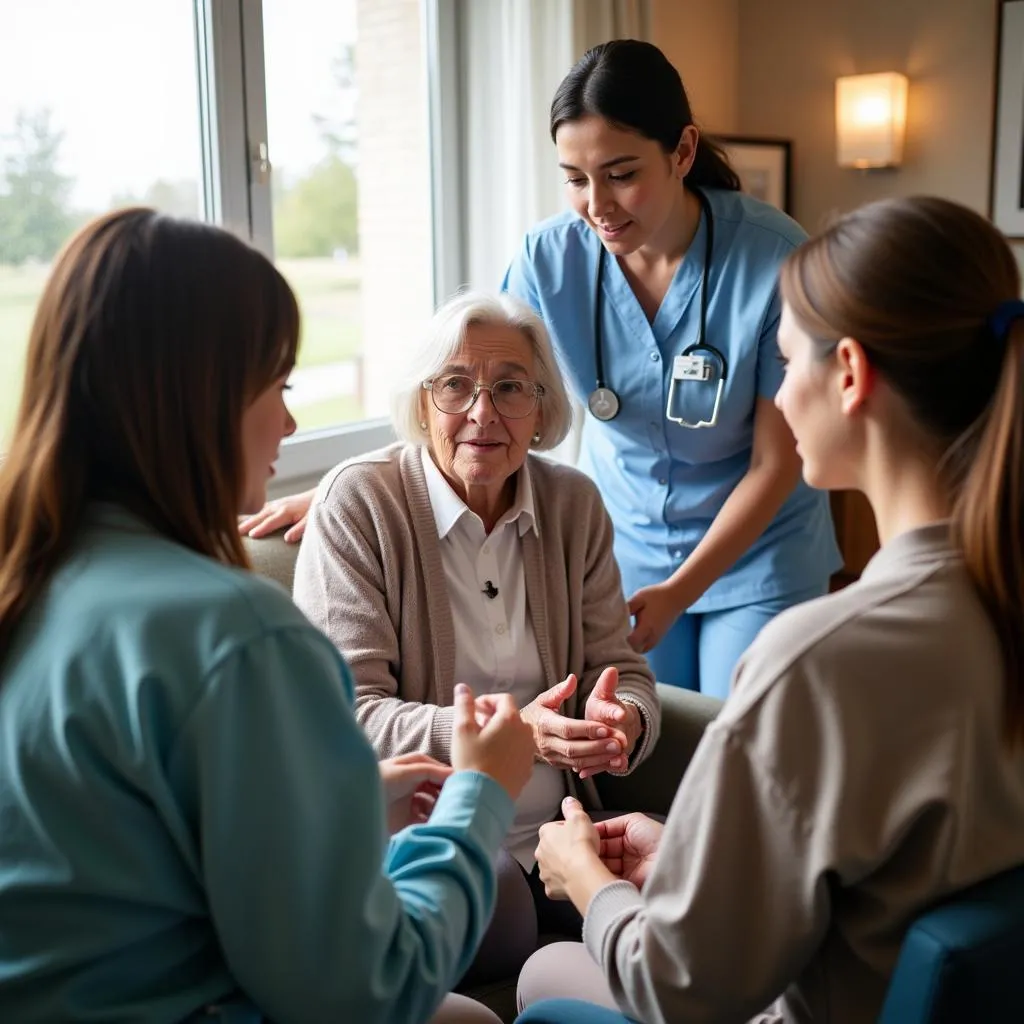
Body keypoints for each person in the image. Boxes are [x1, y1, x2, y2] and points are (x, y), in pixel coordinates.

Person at [0, 209, 539, 1024]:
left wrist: (346, 801)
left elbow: (125, 854)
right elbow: (371, 991)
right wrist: (479, 793)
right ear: (201, 396)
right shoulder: (241, 637)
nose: (289, 425)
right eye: (279, 386)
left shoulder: (34, 580)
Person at [514, 195, 1024, 1023]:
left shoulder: (817, 660)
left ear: (851, 374)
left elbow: (682, 990)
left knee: (543, 978)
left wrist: (587, 879)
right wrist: (683, 848)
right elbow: (905, 865)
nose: (779, 398)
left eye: (786, 365)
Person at [240, 39, 842, 698]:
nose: (597, 205)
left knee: (739, 741)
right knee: (645, 740)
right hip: (625, 540)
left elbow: (776, 462)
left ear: (683, 151)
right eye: (576, 179)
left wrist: (679, 592)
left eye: (621, 173)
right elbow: (477, 389)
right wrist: (346, 487)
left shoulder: (772, 258)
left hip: (757, 551)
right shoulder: (550, 259)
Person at [291, 290, 661, 987]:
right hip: (444, 839)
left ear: (542, 407)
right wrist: (516, 731)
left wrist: (623, 721)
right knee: (497, 895)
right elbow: (346, 714)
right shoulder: (362, 503)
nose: (482, 412)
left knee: (700, 862)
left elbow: (623, 666)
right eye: (456, 385)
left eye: (510, 387)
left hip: (568, 830)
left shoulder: (573, 504)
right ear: (423, 402)